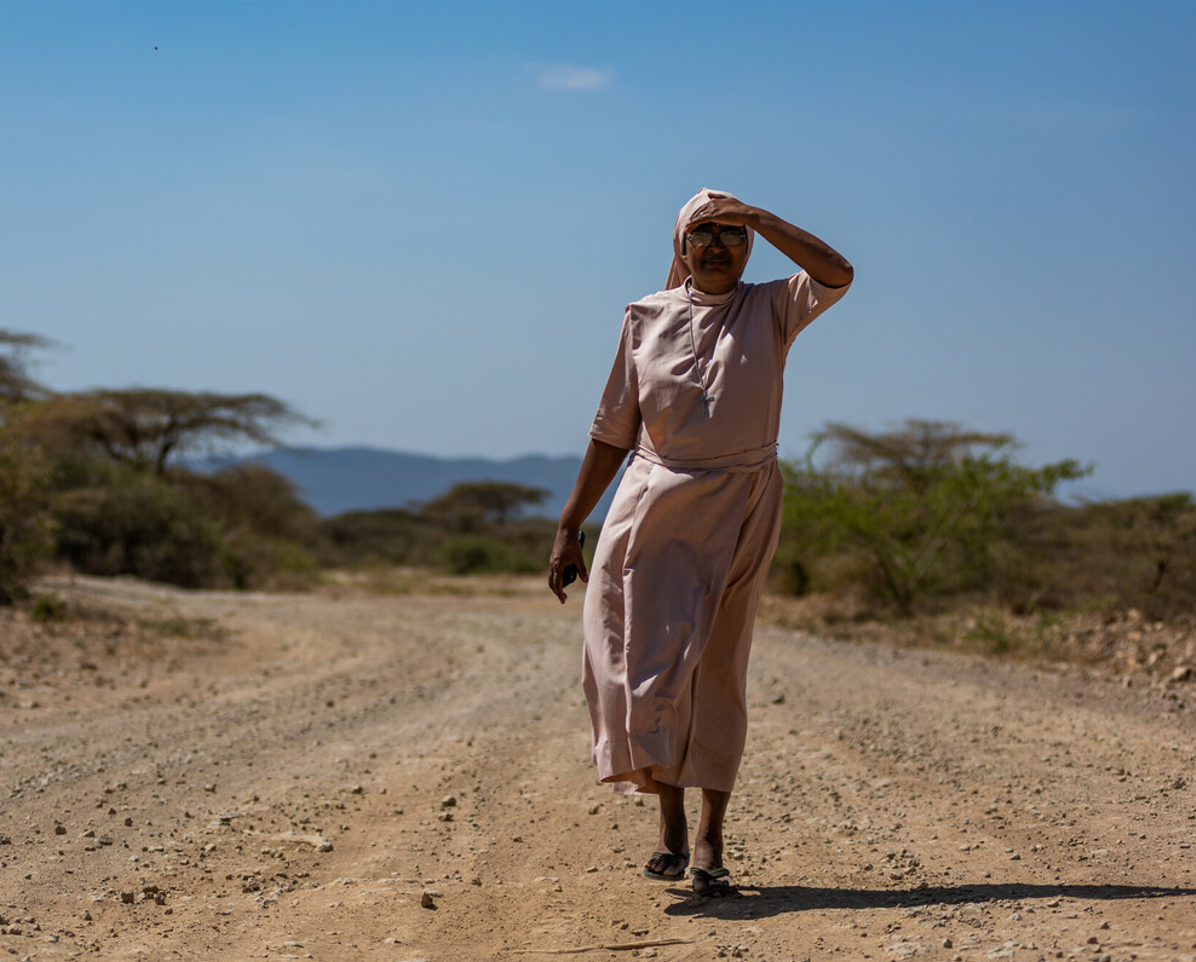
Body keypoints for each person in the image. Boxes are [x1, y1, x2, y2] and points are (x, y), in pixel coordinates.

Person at [547, 188, 852, 896]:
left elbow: (839, 273)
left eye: (731, 234)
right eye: (702, 234)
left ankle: (710, 835)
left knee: (717, 664)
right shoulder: (644, 318)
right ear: (680, 247)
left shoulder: (775, 306)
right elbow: (611, 431)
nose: (717, 245)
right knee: (640, 663)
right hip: (652, 506)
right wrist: (569, 523)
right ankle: (671, 821)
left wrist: (766, 219)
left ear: (749, 246)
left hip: (743, 500)